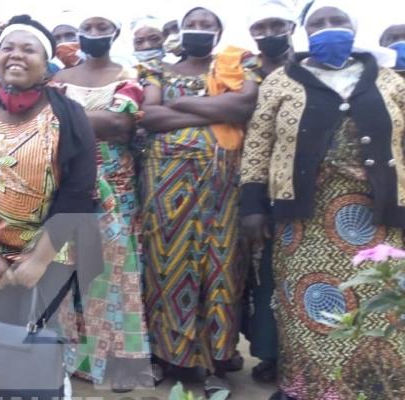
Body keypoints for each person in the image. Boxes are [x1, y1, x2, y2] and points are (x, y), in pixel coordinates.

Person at [240, 2, 405, 399]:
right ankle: (310, 388)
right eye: (318, 23)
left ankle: (379, 386)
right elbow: (259, 145)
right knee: (307, 302)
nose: (328, 28)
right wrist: (252, 206)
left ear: (355, 28)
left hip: (378, 214)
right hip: (304, 218)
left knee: (379, 299)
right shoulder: (280, 82)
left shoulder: (389, 81)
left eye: (337, 21)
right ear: (304, 32)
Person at [0, 15, 100, 399]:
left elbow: (78, 194)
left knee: (39, 344)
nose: (15, 55)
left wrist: (38, 259)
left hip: (52, 255)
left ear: (45, 61)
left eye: (27, 49)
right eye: (7, 48)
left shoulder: (69, 115)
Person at [138, 5, 259, 397]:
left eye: (207, 24)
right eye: (192, 23)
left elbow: (241, 107)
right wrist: (211, 111)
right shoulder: (156, 69)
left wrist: (175, 106)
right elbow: (149, 117)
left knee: (220, 267)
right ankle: (163, 358)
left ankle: (214, 364)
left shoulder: (237, 65)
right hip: (165, 182)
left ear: (219, 31)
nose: (198, 29)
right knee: (164, 265)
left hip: (222, 186)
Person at [52, 11, 153, 392]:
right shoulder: (61, 77)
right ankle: (75, 357)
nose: (93, 34)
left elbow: (120, 125)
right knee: (74, 266)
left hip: (118, 183)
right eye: (87, 28)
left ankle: (120, 360)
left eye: (102, 28)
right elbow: (51, 121)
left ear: (115, 33)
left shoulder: (128, 75)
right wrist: (97, 118)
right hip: (69, 181)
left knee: (118, 270)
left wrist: (67, 116)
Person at [240, 0, 298, 385]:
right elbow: (241, 111)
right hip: (256, 186)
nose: (268, 34)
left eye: (276, 25)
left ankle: (301, 359)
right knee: (264, 278)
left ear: (292, 27)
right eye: (260, 28)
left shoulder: (309, 66)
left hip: (307, 188)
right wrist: (252, 204)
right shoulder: (245, 69)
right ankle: (270, 355)